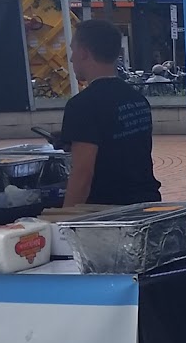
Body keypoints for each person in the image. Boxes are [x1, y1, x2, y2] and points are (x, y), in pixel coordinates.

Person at [60, 19, 162, 207]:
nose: (72, 58)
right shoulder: (138, 99)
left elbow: (82, 175)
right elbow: (124, 145)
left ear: (84, 53)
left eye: (73, 50)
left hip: (109, 214)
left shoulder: (82, 105)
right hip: (147, 204)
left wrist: (62, 223)